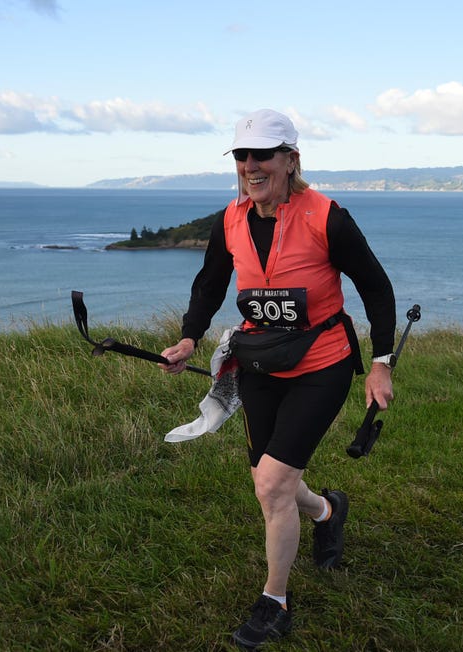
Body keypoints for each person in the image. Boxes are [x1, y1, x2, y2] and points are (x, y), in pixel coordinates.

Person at [160, 108, 396, 649]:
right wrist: (190, 337)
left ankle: (275, 602)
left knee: (271, 483)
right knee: (274, 488)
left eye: (262, 154)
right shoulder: (231, 219)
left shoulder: (327, 216)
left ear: (291, 160)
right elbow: (210, 281)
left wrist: (381, 361)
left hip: (322, 366)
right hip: (260, 364)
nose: (250, 166)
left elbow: (375, 287)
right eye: (242, 155)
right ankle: (329, 511)